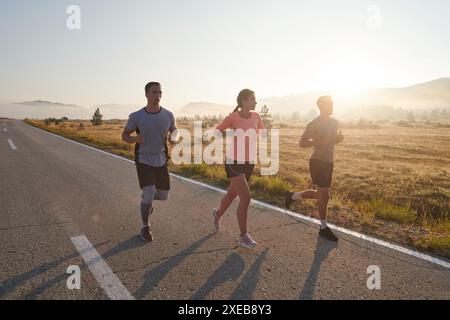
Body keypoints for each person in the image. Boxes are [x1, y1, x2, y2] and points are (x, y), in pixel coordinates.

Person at [122, 82, 179, 242]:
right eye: (154, 92)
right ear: (146, 94)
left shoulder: (168, 115)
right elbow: (125, 135)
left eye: (160, 93)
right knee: (149, 193)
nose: (158, 96)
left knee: (163, 195)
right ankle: (145, 227)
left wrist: (173, 137)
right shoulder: (137, 116)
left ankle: (146, 204)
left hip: (161, 159)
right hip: (143, 158)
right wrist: (135, 138)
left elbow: (174, 129)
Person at [285, 95, 344, 241]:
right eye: (330, 104)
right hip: (318, 162)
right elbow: (302, 143)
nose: (332, 106)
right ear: (322, 107)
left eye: (332, 103)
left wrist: (337, 140)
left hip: (329, 162)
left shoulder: (334, 122)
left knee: (321, 195)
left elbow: (330, 141)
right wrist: (316, 142)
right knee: (324, 196)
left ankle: (292, 196)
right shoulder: (313, 124)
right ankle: (323, 228)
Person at [212, 89, 265, 249]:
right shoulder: (233, 117)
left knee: (231, 194)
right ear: (244, 101)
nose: (255, 102)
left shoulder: (256, 116)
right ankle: (243, 236)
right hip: (233, 162)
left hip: (249, 163)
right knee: (246, 198)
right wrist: (227, 135)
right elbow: (218, 129)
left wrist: (261, 133)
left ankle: (217, 214)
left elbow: (263, 134)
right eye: (253, 99)